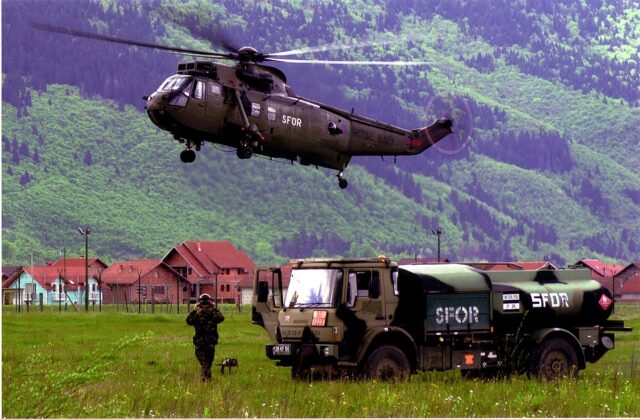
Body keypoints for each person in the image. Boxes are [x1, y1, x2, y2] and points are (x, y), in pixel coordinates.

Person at [186, 293, 225, 381]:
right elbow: (221, 318)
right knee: (208, 361)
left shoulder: (198, 313)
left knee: (203, 361)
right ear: (209, 302)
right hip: (210, 341)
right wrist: (214, 308)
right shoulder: (213, 313)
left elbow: (188, 321)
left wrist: (195, 310)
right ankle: (207, 378)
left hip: (200, 341)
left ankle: (205, 378)